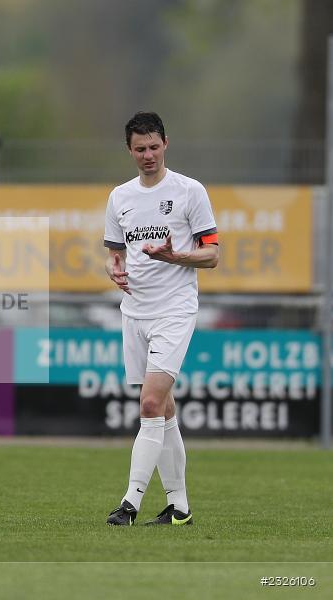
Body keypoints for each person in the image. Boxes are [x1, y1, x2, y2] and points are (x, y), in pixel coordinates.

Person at [103, 112, 219, 526]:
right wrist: (113, 269)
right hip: (134, 312)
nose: (148, 155)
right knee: (164, 409)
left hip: (174, 309)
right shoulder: (120, 197)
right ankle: (179, 507)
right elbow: (115, 253)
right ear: (129, 150)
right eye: (140, 149)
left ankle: (129, 503)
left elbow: (212, 255)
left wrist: (176, 256)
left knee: (150, 403)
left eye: (154, 146)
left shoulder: (189, 191)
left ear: (166, 143)